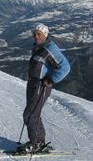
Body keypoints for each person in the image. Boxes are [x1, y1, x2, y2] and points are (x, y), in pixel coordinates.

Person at [21, 23, 70, 153]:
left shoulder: (50, 48)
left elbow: (65, 67)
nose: (36, 36)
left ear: (45, 35)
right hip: (33, 84)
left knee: (29, 115)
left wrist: (50, 79)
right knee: (34, 114)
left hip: (41, 85)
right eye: (35, 34)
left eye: (39, 34)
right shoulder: (39, 47)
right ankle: (40, 142)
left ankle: (36, 144)